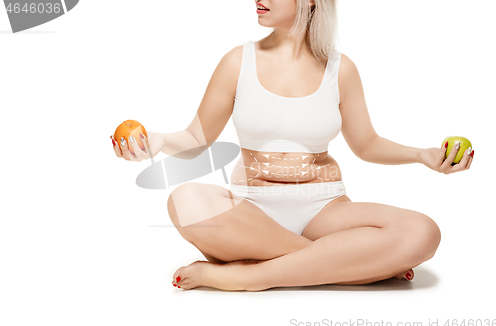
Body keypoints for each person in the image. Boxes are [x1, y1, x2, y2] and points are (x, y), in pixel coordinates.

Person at [111, 0, 474, 291]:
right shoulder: (237, 61)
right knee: (185, 201)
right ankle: (355, 268)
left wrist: (421, 155)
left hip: (324, 207)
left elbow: (367, 144)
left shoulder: (340, 68)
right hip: (250, 208)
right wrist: (155, 141)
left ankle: (247, 276)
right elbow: (196, 138)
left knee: (422, 231)